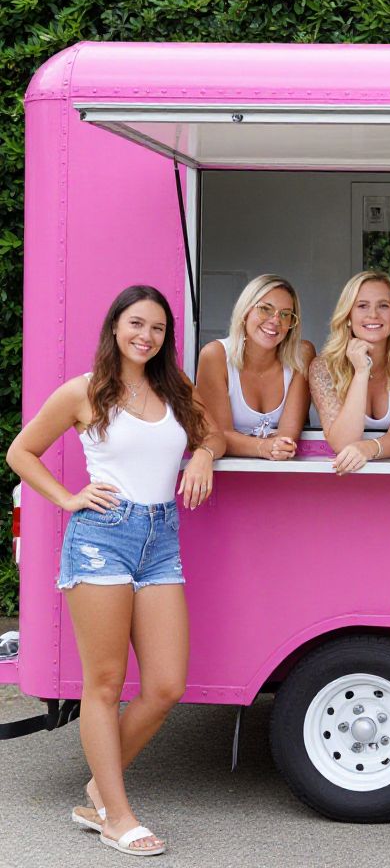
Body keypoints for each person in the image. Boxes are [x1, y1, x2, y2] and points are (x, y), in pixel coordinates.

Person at [6, 285, 225, 856]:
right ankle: (116, 815)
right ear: (115, 327)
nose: (145, 336)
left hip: (161, 540)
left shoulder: (175, 388)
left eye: (157, 328)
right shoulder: (85, 390)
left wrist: (203, 454)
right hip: (103, 539)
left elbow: (213, 433)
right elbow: (20, 452)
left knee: (166, 685)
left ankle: (98, 791)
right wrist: (67, 498)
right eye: (136, 324)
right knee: (103, 685)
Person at [308, 271, 390, 473]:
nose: (373, 315)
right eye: (362, 306)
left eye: (383, 306)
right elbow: (343, 443)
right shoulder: (323, 367)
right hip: (341, 479)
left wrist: (367, 448)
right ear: (348, 316)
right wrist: (361, 371)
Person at [196, 274, 314, 461]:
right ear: (246, 311)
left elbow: (287, 439)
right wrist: (263, 447)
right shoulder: (215, 355)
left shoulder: (302, 355)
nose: (275, 320)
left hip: (282, 472)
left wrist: (272, 446)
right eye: (265, 309)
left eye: (285, 314)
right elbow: (217, 436)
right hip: (226, 474)